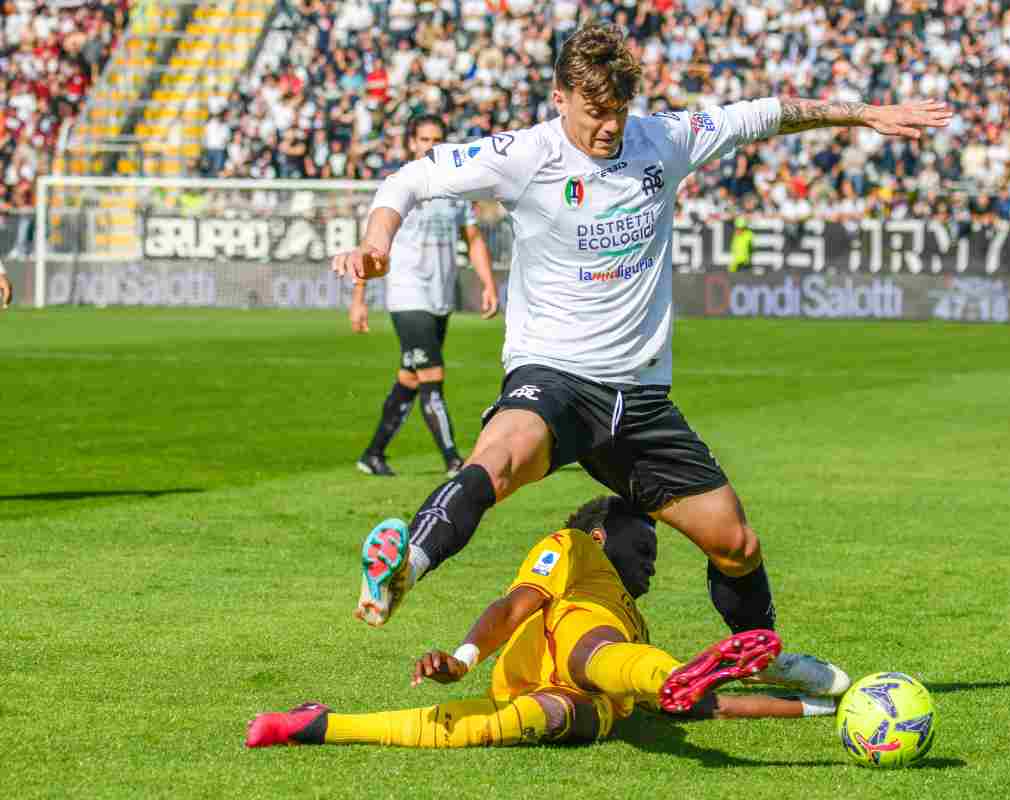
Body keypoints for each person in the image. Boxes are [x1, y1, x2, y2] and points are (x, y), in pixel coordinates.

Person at [331, 23, 950, 692]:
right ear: (562, 95)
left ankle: (760, 656)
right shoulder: (523, 154)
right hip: (555, 375)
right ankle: (405, 568)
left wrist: (865, 115)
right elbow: (409, 179)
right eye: (596, 112)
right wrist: (375, 244)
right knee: (500, 456)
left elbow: (768, 114)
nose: (609, 128)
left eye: (620, 111)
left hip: (640, 400)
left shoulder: (662, 140)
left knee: (733, 542)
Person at [245, 496, 836, 750]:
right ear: (604, 534)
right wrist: (465, 657)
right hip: (578, 651)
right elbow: (515, 607)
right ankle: (317, 725)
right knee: (592, 637)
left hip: (583, 702)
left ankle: (321, 727)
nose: (653, 552)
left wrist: (818, 710)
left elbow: (703, 704)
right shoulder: (578, 550)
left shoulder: (640, 625)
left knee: (569, 712)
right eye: (646, 537)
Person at [351, 114, 501, 479]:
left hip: (439, 296)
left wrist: (488, 283)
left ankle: (373, 455)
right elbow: (370, 247)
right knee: (432, 376)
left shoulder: (456, 191)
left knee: (410, 379)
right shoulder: (399, 186)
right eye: (423, 139)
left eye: (436, 139)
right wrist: (359, 298)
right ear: (411, 143)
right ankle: (453, 460)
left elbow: (474, 239)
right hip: (407, 295)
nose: (430, 146)